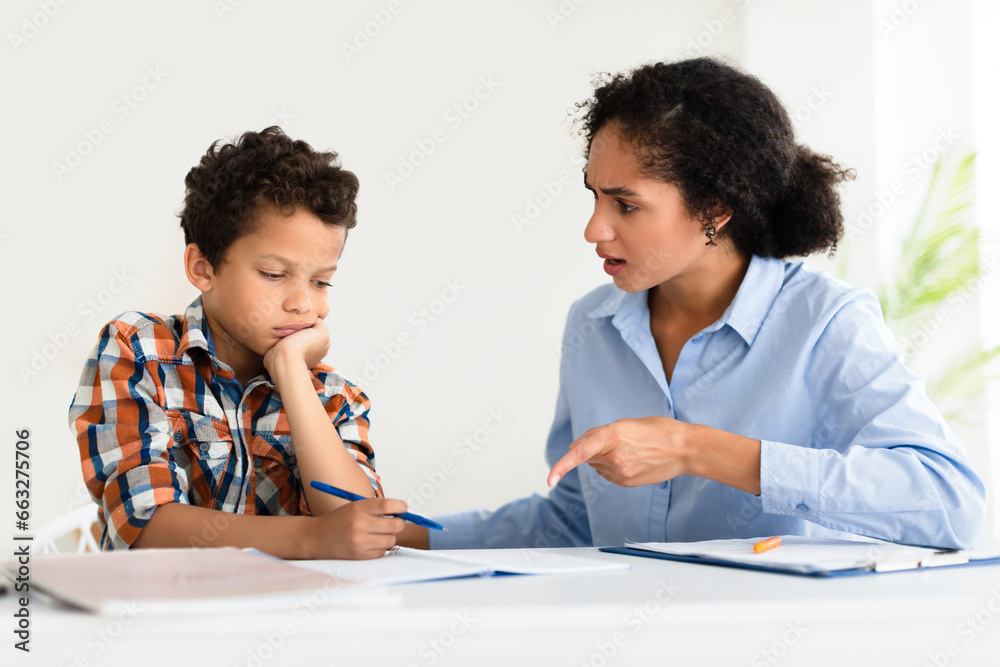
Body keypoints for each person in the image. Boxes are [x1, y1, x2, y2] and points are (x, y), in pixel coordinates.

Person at [399, 57, 986, 551]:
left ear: (716, 209)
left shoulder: (824, 320)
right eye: (594, 196)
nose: (594, 229)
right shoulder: (593, 325)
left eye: (625, 205)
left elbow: (948, 501)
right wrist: (404, 532)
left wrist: (695, 449)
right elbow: (575, 520)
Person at [68, 127, 407, 559]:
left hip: (297, 616)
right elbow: (146, 525)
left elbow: (359, 527)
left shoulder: (335, 398)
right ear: (203, 267)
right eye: (273, 274)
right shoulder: (139, 351)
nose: (303, 304)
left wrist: (291, 373)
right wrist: (312, 538)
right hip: (158, 617)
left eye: (321, 281)